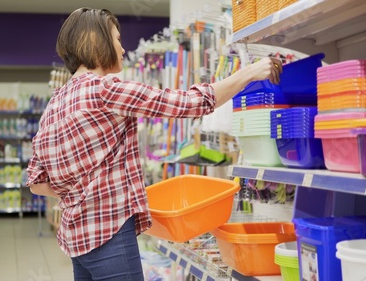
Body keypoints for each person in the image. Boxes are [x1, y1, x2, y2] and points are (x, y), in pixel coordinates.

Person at [26, 7, 283, 281]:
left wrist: (80, 190)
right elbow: (189, 103)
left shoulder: (55, 103)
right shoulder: (105, 90)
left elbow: (36, 182)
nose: (122, 50)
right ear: (94, 41)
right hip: (110, 235)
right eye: (117, 39)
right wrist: (251, 72)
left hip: (77, 240)